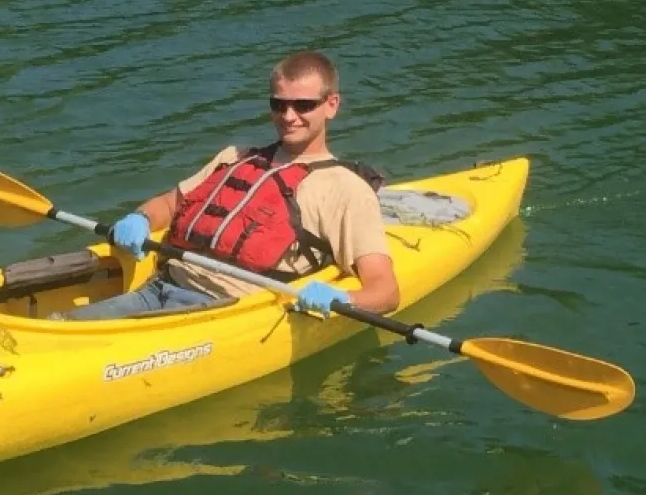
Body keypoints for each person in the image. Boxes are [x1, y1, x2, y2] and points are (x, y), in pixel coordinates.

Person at [54, 50, 400, 320]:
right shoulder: (235, 156)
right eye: (278, 104)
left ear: (332, 105)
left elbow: (385, 292)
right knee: (61, 328)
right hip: (159, 287)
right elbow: (168, 205)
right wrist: (141, 218)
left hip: (223, 314)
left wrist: (342, 298)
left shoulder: (345, 190)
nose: (289, 116)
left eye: (304, 105)